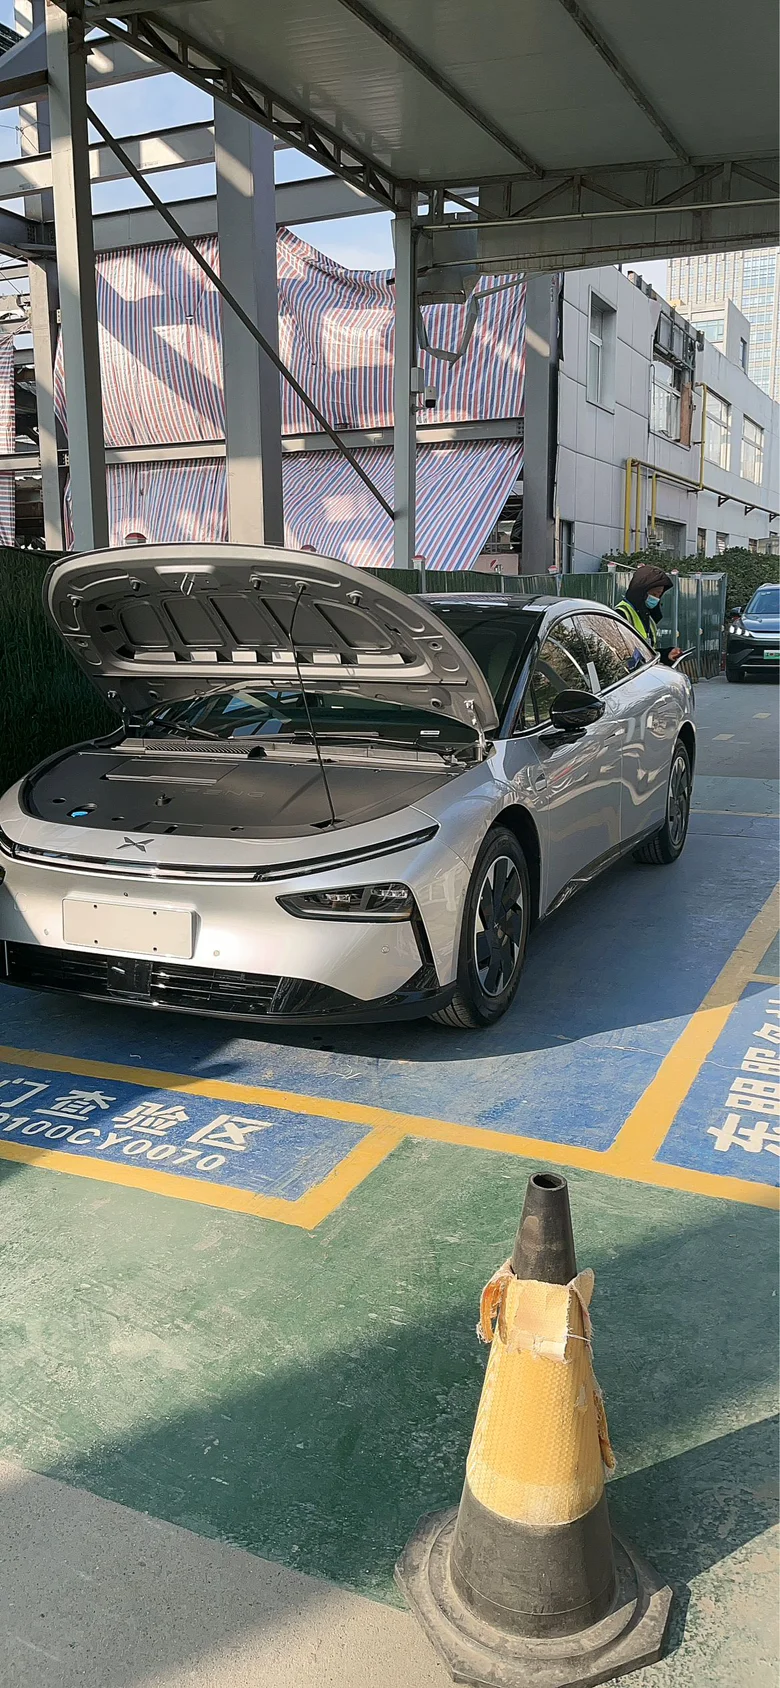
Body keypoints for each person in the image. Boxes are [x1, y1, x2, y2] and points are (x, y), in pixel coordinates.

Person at [616, 564, 682, 664]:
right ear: (641, 593)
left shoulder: (648, 618)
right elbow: (622, 655)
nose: (657, 599)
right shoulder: (622, 614)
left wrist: (666, 655)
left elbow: (648, 654)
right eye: (654, 594)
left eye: (659, 595)